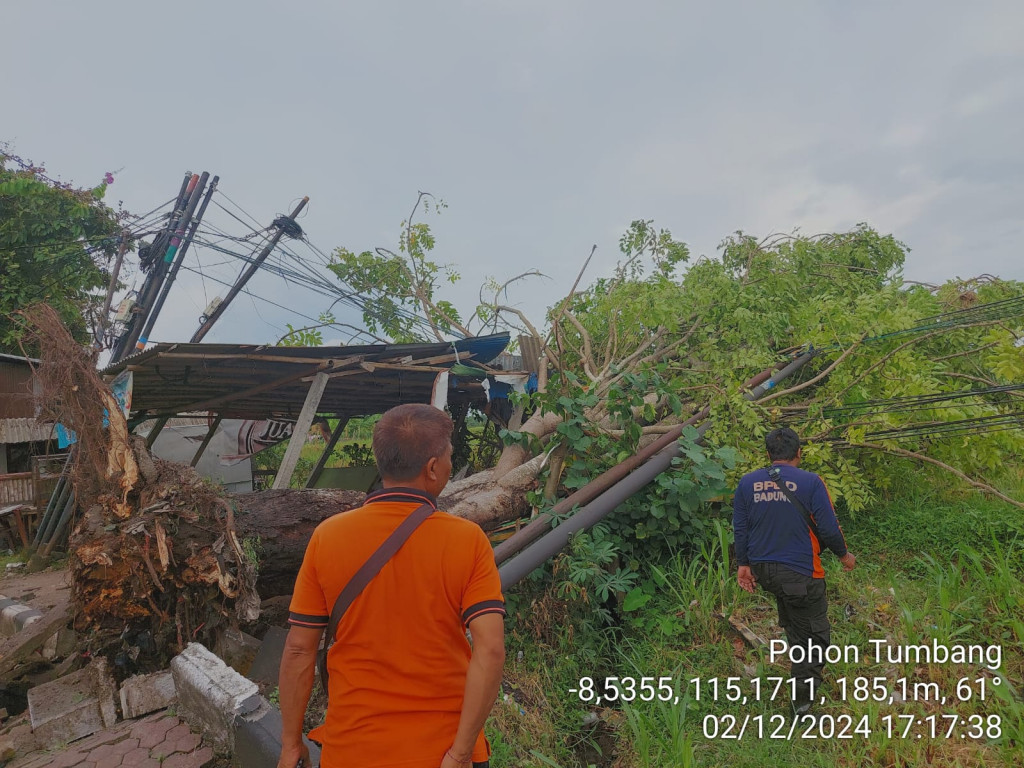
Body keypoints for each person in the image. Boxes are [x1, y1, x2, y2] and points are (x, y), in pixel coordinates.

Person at [277, 404, 506, 768]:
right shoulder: (467, 540)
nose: (449, 464)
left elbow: (299, 651)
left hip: (352, 750)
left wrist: (291, 744)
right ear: (432, 469)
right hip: (440, 751)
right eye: (448, 456)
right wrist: (460, 754)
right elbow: (490, 650)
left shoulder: (328, 537)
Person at [732, 427, 855, 715]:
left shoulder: (747, 483)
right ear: (799, 453)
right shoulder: (811, 482)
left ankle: (797, 657)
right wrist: (844, 556)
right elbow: (828, 528)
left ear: (768, 455)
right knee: (815, 639)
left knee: (796, 623)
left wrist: (743, 565)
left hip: (765, 572)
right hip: (800, 573)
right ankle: (802, 706)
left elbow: (741, 527)